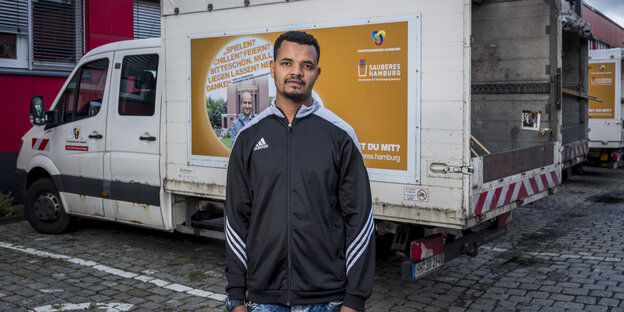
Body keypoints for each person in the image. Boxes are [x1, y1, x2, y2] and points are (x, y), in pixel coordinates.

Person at [225, 31, 375, 312]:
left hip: (326, 298)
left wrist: (355, 300)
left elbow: (360, 219)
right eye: (287, 63)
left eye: (306, 65)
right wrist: (236, 297)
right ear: (272, 69)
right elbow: (236, 219)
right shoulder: (247, 137)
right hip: (262, 299)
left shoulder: (340, 135)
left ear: (317, 73)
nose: (296, 72)